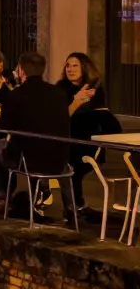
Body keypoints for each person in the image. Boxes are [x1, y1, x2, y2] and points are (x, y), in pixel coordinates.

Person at [0, 53, 73, 216]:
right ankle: (66, 205)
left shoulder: (16, 95)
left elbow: (5, 127)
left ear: (21, 71)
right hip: (59, 160)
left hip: (26, 160)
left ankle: (1, 197)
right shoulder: (58, 93)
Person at [57, 52, 120, 213]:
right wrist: (76, 102)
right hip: (66, 138)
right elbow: (60, 119)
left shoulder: (95, 89)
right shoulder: (61, 89)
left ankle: (76, 206)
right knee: (71, 167)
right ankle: (73, 207)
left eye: (74, 65)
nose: (70, 69)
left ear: (84, 67)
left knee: (77, 167)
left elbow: (100, 115)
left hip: (88, 139)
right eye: (68, 65)